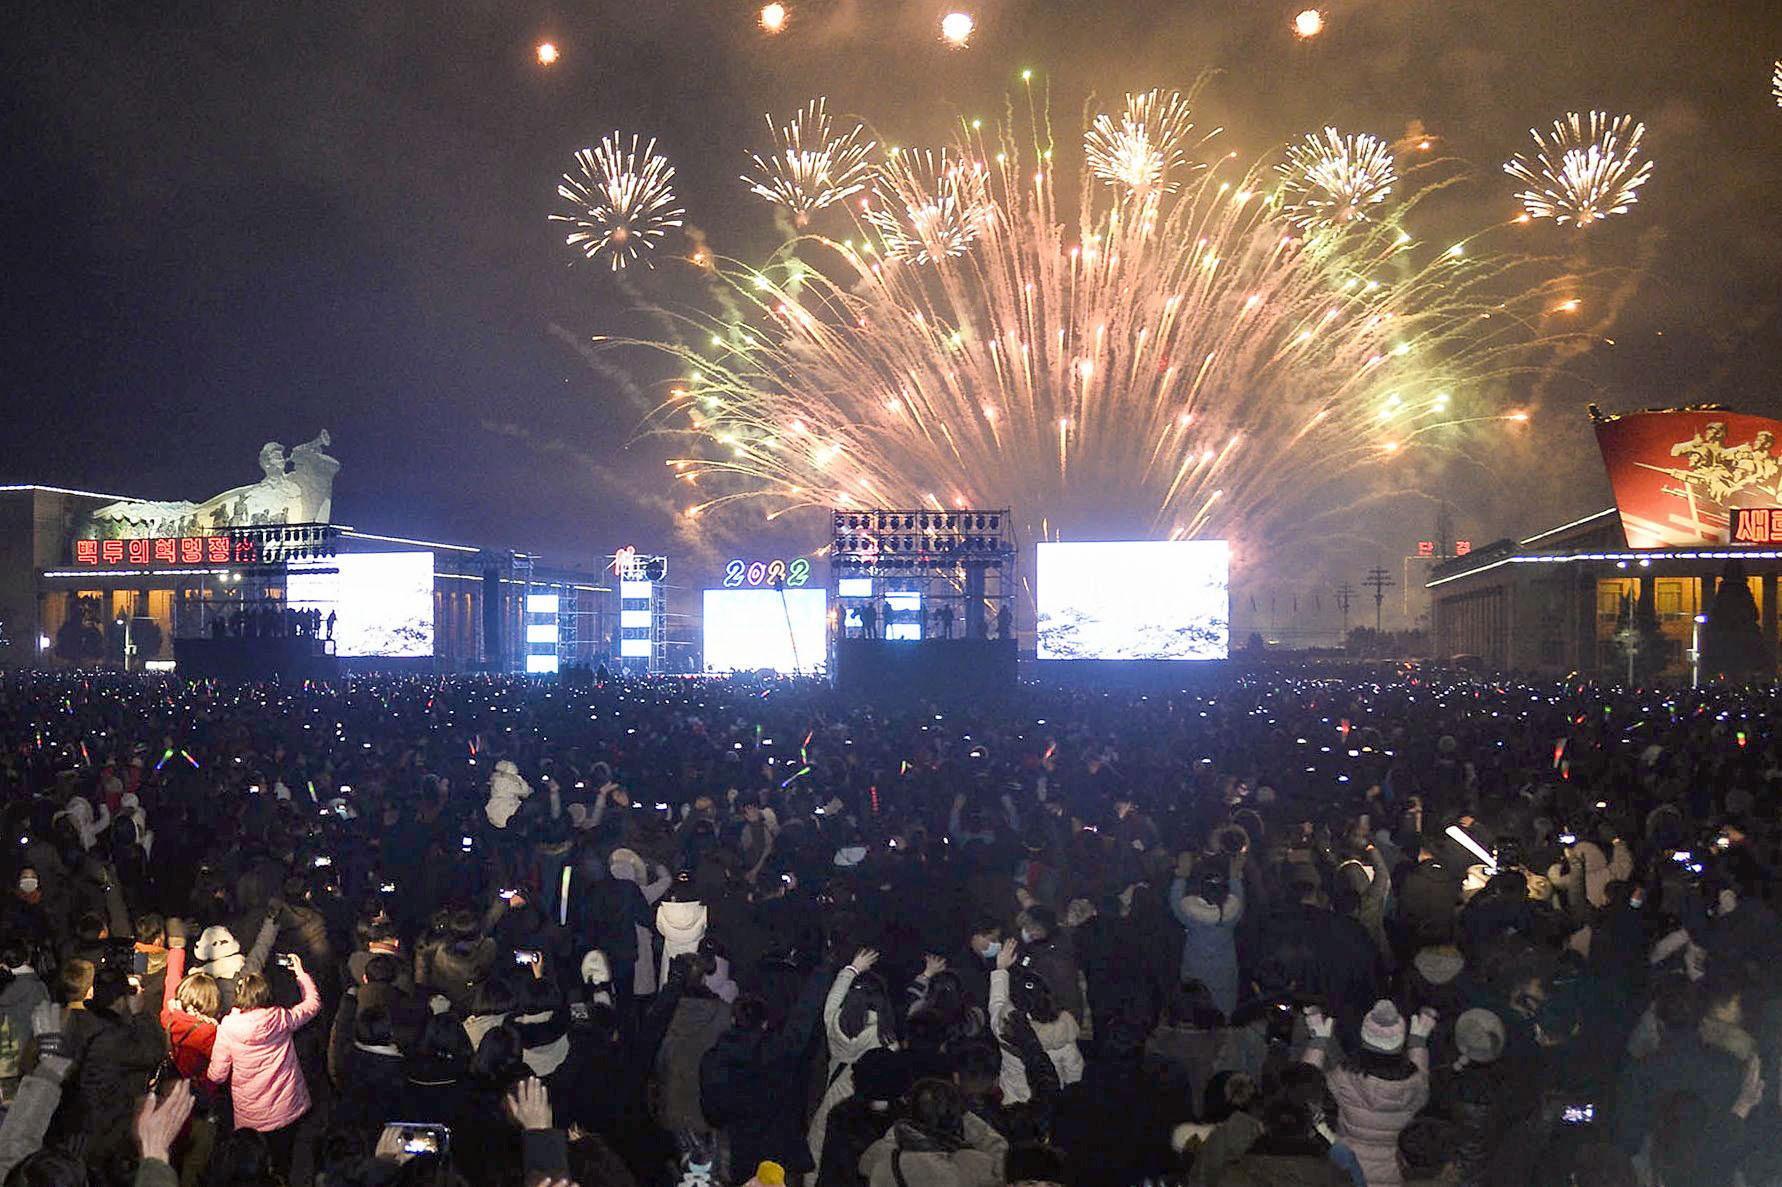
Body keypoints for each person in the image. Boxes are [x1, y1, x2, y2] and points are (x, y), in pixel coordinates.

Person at [206, 952, 322, 1175]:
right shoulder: (281, 1018)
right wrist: (301, 974)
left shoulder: (228, 1028)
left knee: (252, 1166)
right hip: (287, 1108)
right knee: (283, 1162)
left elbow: (218, 1075)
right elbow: (312, 1004)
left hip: (251, 1116)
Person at [1302, 1000, 1434, 1187]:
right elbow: (1421, 1072)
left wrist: (1318, 1042)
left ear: (1365, 1039)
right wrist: (1418, 1042)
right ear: (1399, 1043)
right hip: (1394, 1173)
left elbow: (1304, 1085)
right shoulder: (1415, 1084)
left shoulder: (1344, 1078)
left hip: (1348, 1170)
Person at [857, 1078, 1007, 1187]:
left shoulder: (883, 1156)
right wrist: (965, 1117)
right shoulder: (970, 1164)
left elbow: (866, 1163)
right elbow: (998, 1153)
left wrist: (903, 1127)